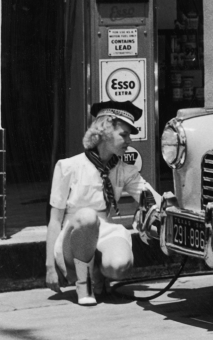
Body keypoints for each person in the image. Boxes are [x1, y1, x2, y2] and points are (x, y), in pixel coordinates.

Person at [45, 101, 161, 306]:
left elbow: (151, 198)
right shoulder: (69, 167)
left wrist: (167, 204)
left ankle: (99, 275)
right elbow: (54, 221)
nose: (129, 141)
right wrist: (50, 267)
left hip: (103, 231)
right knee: (87, 216)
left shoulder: (124, 170)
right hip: (72, 238)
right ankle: (84, 284)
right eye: (123, 135)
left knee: (119, 264)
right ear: (105, 132)